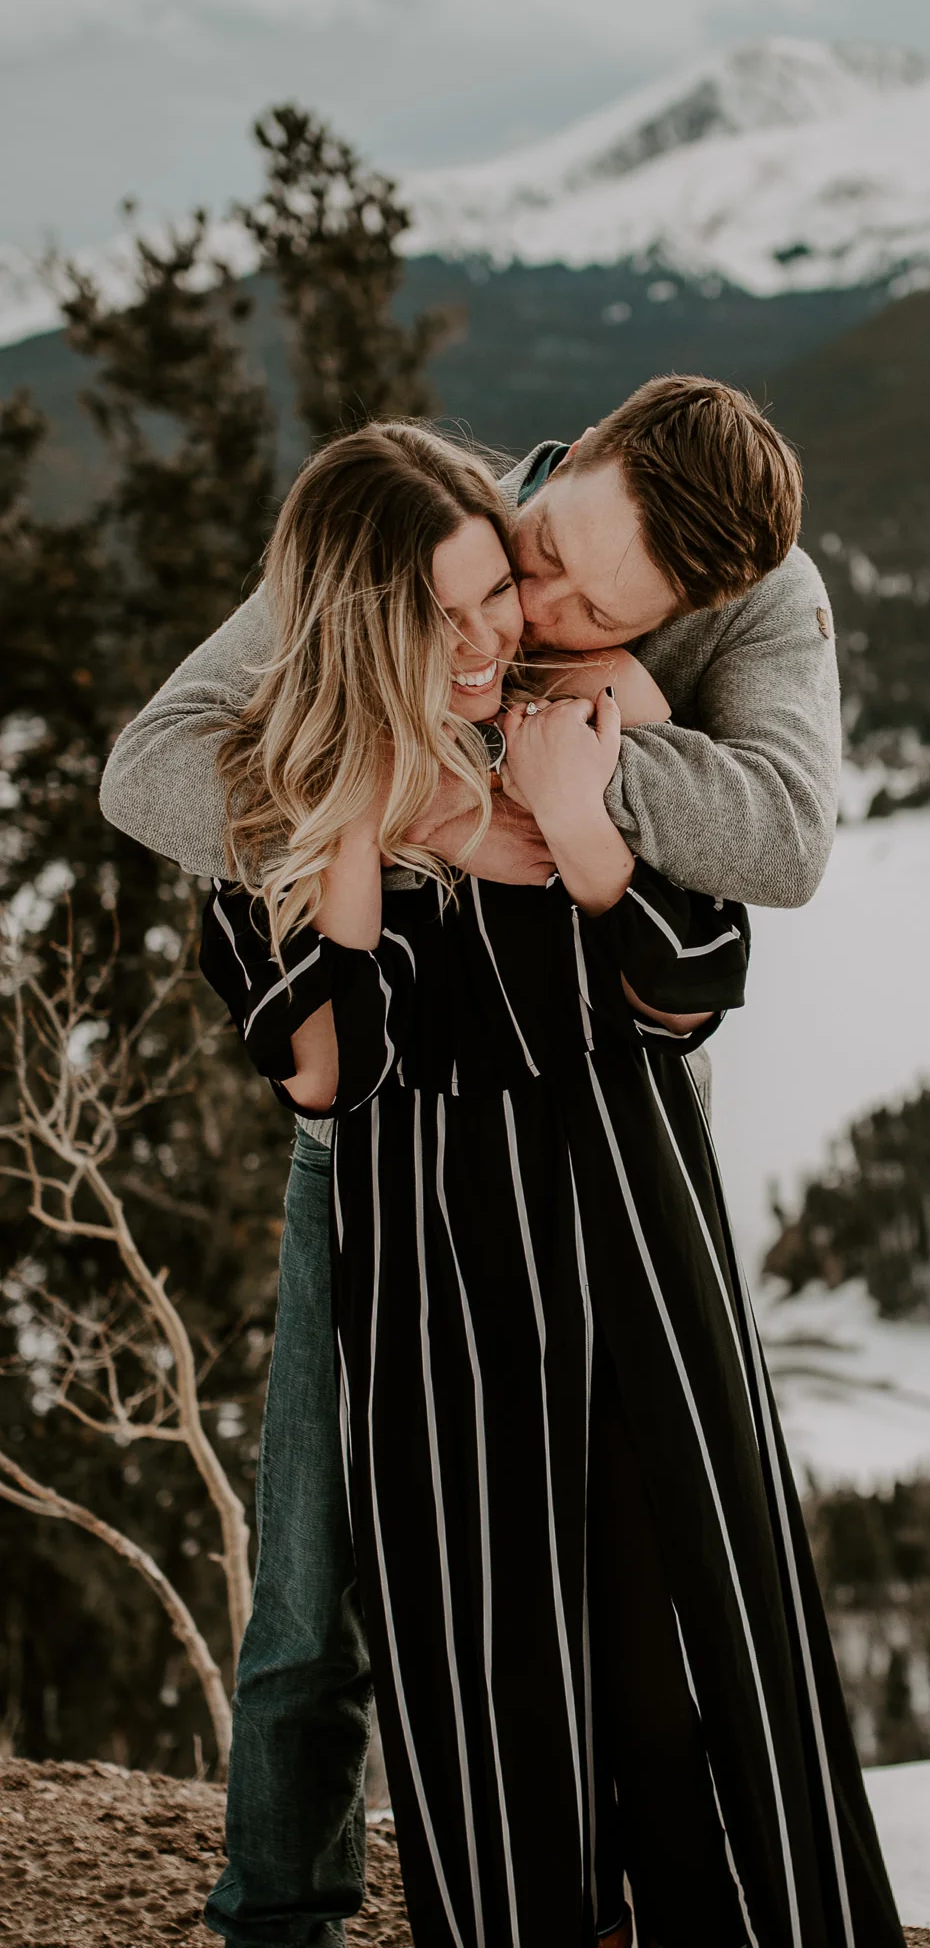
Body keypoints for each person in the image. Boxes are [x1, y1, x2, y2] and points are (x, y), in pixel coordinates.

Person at [98, 378, 852, 1946]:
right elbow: (154, 769)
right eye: (549, 557)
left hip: (606, 1133)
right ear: (578, 459)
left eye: (601, 609)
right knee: (323, 1582)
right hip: (391, 1144)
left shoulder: (759, 589)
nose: (543, 609)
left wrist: (589, 755)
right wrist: (424, 796)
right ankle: (280, 1912)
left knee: (650, 1563)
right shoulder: (417, 536)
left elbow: (778, 845)